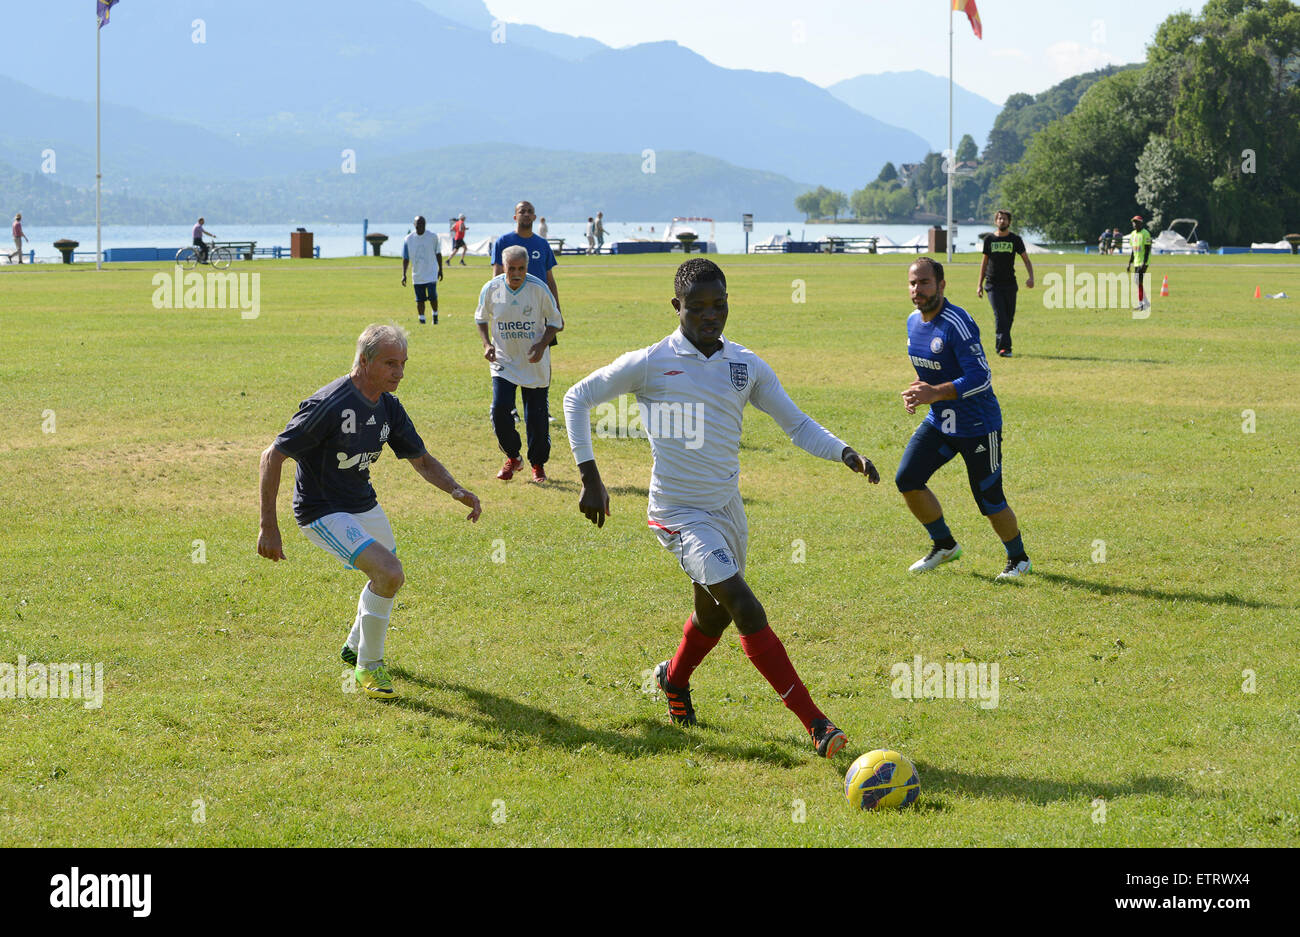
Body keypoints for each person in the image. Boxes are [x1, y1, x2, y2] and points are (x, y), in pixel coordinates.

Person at [563, 258, 880, 757]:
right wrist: (590, 476)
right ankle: (817, 725)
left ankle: (673, 678)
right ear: (677, 307)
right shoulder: (651, 362)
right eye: (699, 307)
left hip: (727, 511)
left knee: (713, 618)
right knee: (745, 605)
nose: (711, 315)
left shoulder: (745, 365)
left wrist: (844, 452)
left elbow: (795, 424)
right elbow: (576, 397)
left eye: (720, 305)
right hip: (678, 514)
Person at [257, 324, 482, 700]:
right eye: (391, 363)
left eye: (403, 363)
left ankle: (352, 647)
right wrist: (268, 526)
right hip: (322, 510)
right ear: (364, 361)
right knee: (389, 573)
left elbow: (421, 460)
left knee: (386, 576)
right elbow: (272, 455)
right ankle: (369, 666)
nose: (400, 372)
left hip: (363, 503)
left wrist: (456, 489)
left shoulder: (388, 406)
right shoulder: (328, 404)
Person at [897, 257, 1031, 581]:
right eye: (913, 283)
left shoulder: (957, 322)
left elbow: (981, 377)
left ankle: (1019, 559)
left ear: (941, 285)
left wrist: (935, 392)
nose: (918, 289)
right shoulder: (913, 322)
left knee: (989, 499)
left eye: (925, 282)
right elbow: (930, 369)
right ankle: (944, 545)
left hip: (978, 426)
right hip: (941, 422)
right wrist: (920, 389)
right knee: (907, 479)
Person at [476, 245, 564, 483]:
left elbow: (556, 322)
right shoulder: (491, 289)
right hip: (503, 360)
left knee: (536, 417)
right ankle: (513, 458)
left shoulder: (538, 289)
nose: (516, 273)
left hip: (534, 361)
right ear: (503, 267)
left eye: (521, 268)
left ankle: (537, 464)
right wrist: (487, 345)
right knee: (499, 410)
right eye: (511, 268)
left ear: (527, 267)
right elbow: (481, 318)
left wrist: (541, 345)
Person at [975, 209, 1034, 357]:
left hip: (1010, 284)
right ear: (996, 221)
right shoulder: (989, 240)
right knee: (1000, 315)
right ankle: (1004, 348)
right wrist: (979, 285)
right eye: (999, 218)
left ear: (1009, 222)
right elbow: (984, 263)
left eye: (1005, 219)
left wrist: (1031, 277)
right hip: (992, 284)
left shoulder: (1015, 239)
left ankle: (1000, 345)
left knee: (1009, 317)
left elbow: (1026, 259)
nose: (1002, 221)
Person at [491, 200, 559, 309]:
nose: (526, 214)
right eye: (522, 212)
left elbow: (550, 280)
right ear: (515, 217)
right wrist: (497, 306)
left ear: (534, 217)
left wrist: (556, 309)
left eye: (529, 212)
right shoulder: (503, 241)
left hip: (538, 304)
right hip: (512, 303)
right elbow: (497, 276)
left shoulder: (542, 244)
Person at [401, 215, 443, 325]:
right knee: (419, 300)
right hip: (417, 274)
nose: (420, 226)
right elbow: (406, 258)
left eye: (422, 224)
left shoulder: (433, 237)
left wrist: (440, 269)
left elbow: (438, 253)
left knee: (432, 296)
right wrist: (404, 274)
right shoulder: (408, 239)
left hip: (431, 273)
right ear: (414, 225)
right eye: (418, 224)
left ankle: (435, 315)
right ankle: (422, 319)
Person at [1127, 215, 1153, 312]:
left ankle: (1142, 303)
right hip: (1136, 262)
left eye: (1137, 222)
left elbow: (1147, 250)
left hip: (1143, 262)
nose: (1135, 224)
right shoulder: (1133, 234)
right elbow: (1133, 250)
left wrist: (1144, 262)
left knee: (1138, 281)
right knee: (1137, 281)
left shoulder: (1146, 234)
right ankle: (1145, 302)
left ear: (1141, 223)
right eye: (1134, 222)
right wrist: (1129, 263)